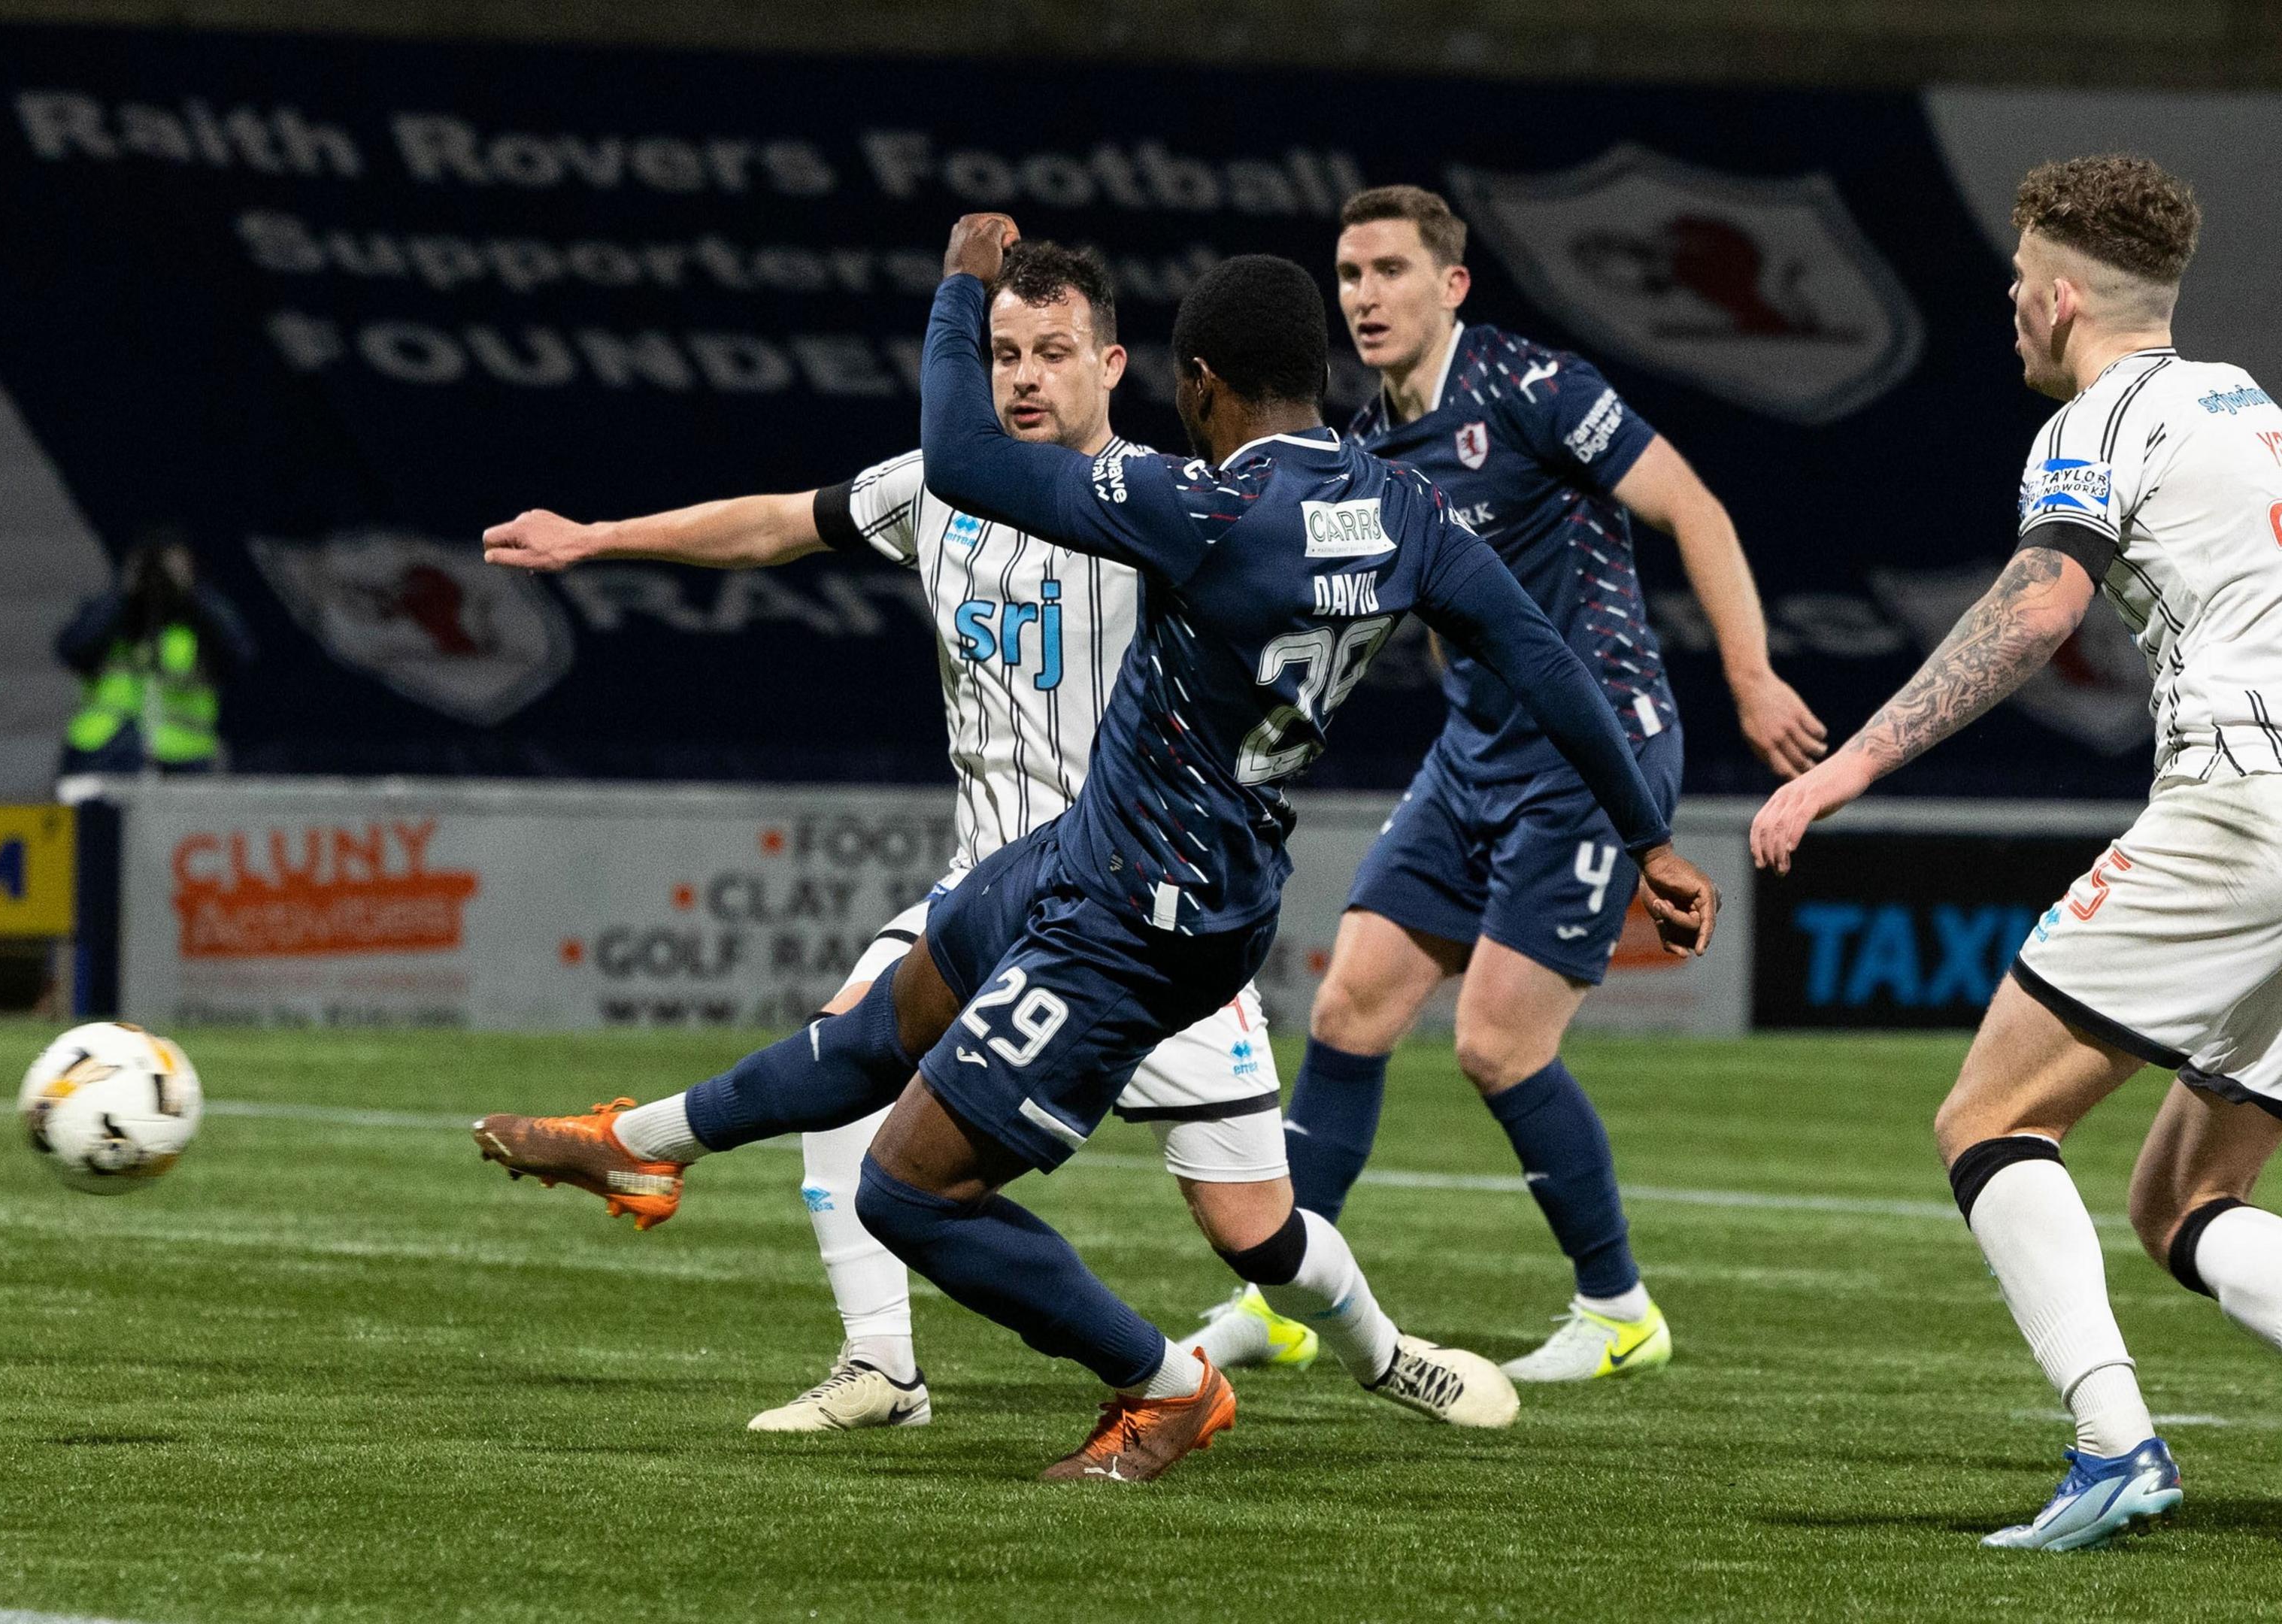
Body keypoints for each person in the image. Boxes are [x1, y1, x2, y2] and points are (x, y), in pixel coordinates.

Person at [474, 214, 1714, 1481]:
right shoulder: (1406, 513)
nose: (1021, 374)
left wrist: (958, 291)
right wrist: (1650, 840)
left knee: (927, 1197)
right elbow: (1551, 662)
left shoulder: (1200, 507)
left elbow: (958, 451)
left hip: (1145, 918)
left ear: (1186, 383)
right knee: (870, 1030)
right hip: (1095, 851)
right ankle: (643, 1150)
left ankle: (1172, 1386)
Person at [486, 241, 1329, 1435]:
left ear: (1113, 363)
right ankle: (881, 1365)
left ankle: (1387, 1351)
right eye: (1003, 355)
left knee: (1257, 1231)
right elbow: (781, 523)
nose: (1025, 377)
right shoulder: (939, 484)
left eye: (1052, 353)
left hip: (1138, 907)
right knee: (848, 1061)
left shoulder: (1172, 509)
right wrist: (596, 537)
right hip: (983, 892)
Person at [1199, 186, 1822, 1386]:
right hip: (1473, 754)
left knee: (1495, 1044)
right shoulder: (1368, 444)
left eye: (1389, 270)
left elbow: (1692, 503)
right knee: (1348, 1011)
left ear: (1453, 286)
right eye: (1350, 274)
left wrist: (1749, 681)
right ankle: (1277, 1301)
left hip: (1592, 753)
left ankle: (1619, 1307)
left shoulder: (1536, 391)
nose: (1365, 297)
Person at [1752, 154, 2280, 1550]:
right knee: (2185, 1201)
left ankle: (2114, 1449)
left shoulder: (2100, 421)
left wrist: (1846, 770)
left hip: (2241, 805)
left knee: (1991, 1117)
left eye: (2015, 277)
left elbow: (2039, 610)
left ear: (2057, 295)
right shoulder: (2254, 410)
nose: (2006, 298)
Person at [57, 526, 253, 776]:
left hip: (183, 758)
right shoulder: (113, 616)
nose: (158, 576)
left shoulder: (199, 623)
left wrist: (192, 593)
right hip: (102, 750)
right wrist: (124, 593)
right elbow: (71, 648)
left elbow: (240, 656)